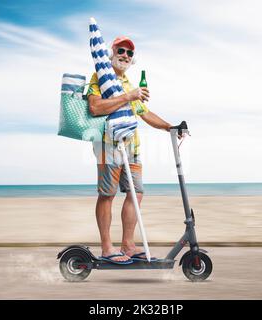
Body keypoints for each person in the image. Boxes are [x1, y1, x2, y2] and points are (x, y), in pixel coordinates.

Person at [87, 36, 173, 263]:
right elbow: (95, 107)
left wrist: (170, 127)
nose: (125, 55)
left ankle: (128, 245)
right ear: (112, 52)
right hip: (108, 145)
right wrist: (129, 96)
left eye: (129, 53)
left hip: (131, 148)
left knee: (137, 193)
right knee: (107, 195)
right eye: (121, 50)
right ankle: (107, 248)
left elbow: (144, 113)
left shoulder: (129, 84)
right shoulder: (98, 77)